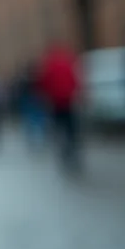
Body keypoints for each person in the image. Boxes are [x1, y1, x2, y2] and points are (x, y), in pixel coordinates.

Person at [36, 42, 82, 172]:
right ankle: (73, 147)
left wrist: (44, 97)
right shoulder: (68, 61)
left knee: (59, 127)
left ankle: (65, 149)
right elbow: (75, 79)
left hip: (55, 101)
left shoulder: (48, 64)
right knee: (71, 126)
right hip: (69, 99)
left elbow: (44, 82)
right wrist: (76, 92)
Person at [13, 63, 46, 148]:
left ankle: (34, 138)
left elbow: (19, 93)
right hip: (37, 103)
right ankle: (38, 138)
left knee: (31, 122)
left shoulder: (24, 80)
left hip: (30, 104)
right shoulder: (39, 80)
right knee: (37, 122)